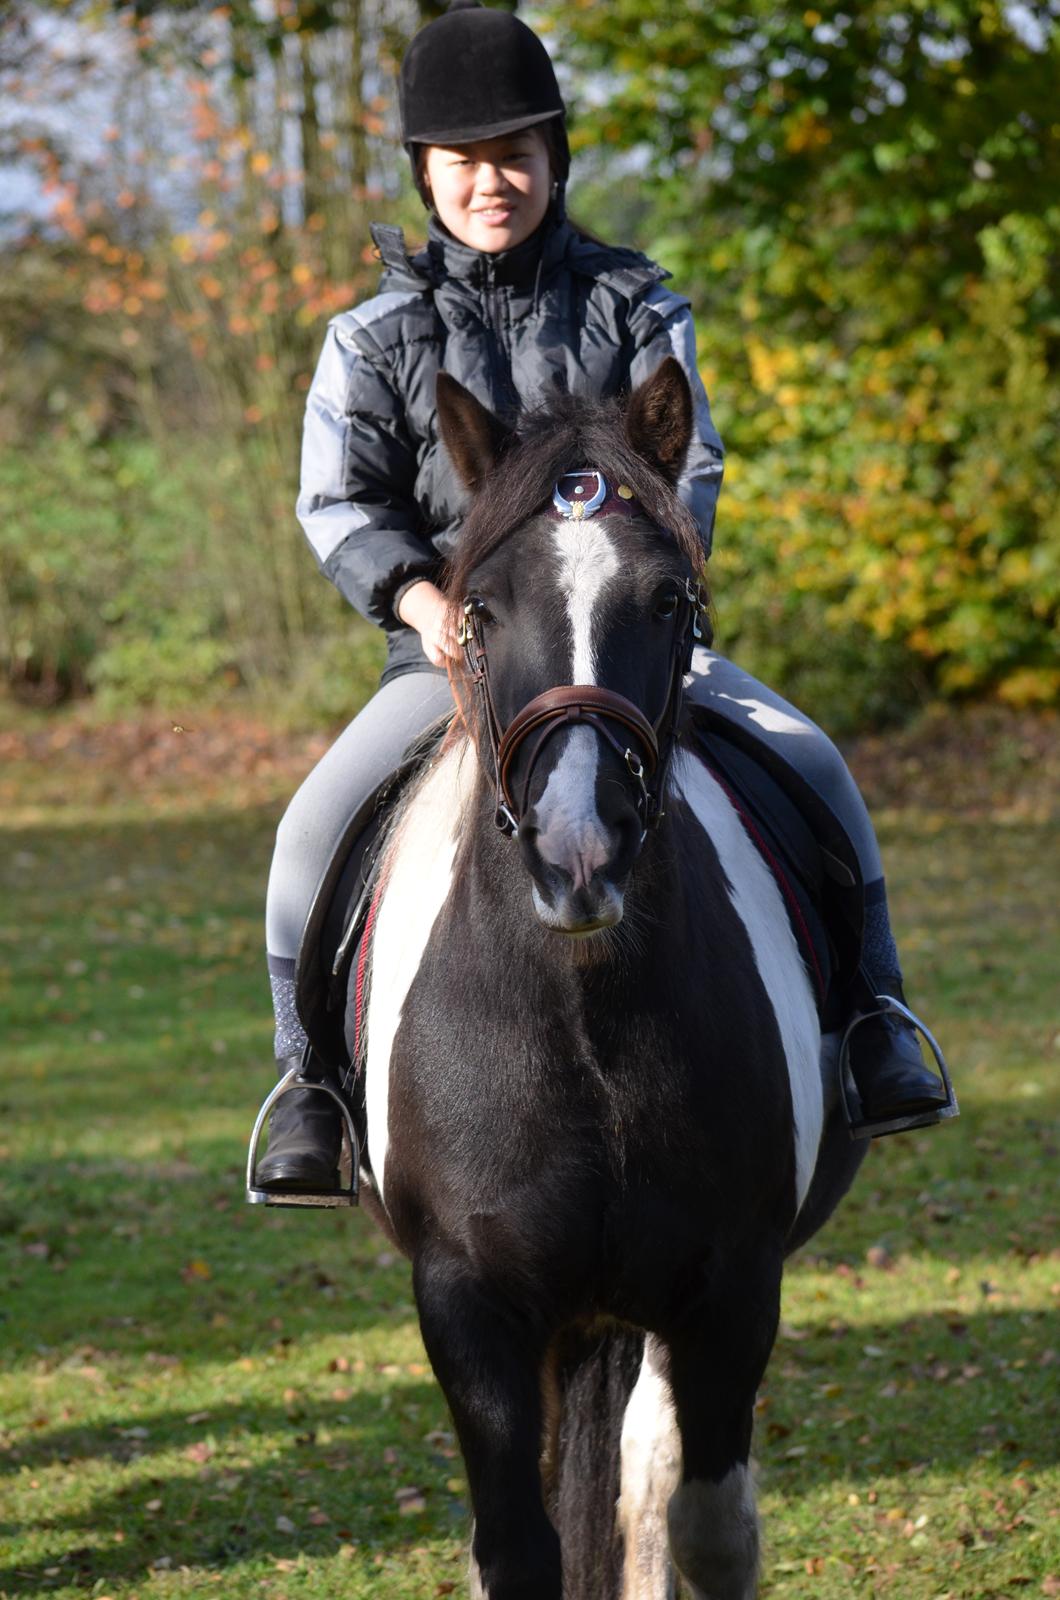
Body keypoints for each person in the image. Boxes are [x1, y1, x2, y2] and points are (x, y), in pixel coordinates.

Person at [253, 0, 949, 1200]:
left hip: (631, 652)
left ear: (553, 161)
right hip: (455, 658)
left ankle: (875, 1023)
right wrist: (420, 603)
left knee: (817, 763)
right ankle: (308, 1084)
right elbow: (338, 505)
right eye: (464, 163)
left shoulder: (639, 308)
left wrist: (643, 609)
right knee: (309, 829)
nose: (491, 183)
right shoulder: (372, 339)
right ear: (425, 174)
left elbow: (697, 468)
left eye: (514, 157)